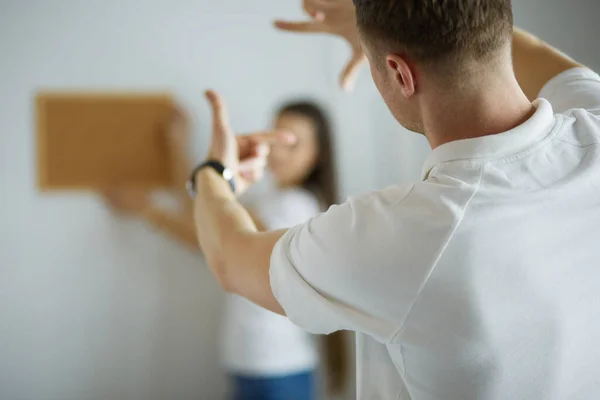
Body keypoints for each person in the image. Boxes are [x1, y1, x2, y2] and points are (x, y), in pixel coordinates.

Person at [188, 0, 600, 399]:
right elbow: (521, 47)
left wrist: (212, 173)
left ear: (400, 74)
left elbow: (229, 256)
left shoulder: (404, 235)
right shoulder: (593, 124)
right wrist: (380, 25)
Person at [104, 101, 348, 400]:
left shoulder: (296, 206)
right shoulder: (272, 201)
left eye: (293, 143)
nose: (278, 151)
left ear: (318, 154)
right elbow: (206, 216)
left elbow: (211, 239)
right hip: (255, 363)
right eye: (275, 137)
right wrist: (177, 148)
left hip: (276, 370)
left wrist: (144, 208)